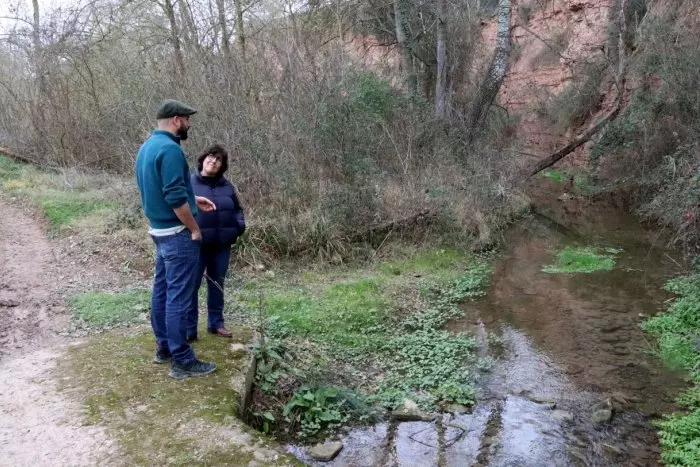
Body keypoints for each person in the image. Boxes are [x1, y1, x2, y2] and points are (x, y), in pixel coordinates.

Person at [135, 99, 217, 380]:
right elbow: (172, 197)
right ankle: (182, 359)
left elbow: (160, 189)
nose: (190, 124)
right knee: (179, 297)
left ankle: (164, 348)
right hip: (177, 234)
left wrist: (194, 199)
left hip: (159, 232)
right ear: (176, 120)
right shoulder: (170, 150)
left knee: (162, 290)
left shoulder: (146, 148)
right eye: (187, 119)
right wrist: (194, 227)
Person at [188, 144, 246, 341]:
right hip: (196, 244)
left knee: (217, 284)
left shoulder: (227, 186)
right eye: (211, 157)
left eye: (218, 160)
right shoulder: (189, 183)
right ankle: (189, 329)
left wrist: (239, 226)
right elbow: (179, 207)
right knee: (191, 286)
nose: (214, 161)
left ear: (222, 165)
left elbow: (238, 208)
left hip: (221, 245)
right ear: (203, 159)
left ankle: (216, 324)